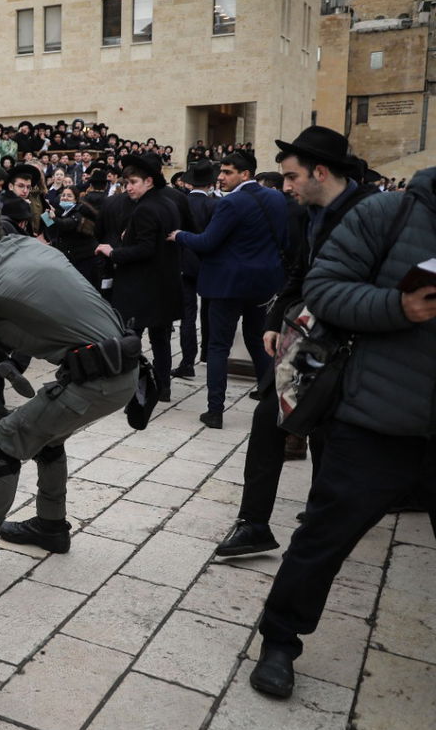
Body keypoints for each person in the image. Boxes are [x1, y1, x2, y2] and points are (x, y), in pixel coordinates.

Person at [248, 164, 436, 700]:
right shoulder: (389, 213)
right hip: (378, 415)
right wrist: (397, 307)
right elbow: (323, 291)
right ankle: (280, 639)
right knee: (324, 538)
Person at [0, 193, 138, 578]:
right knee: (47, 439)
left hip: (98, 379)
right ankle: (50, 527)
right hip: (116, 368)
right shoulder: (25, 246)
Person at [216, 127, 375, 560]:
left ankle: (322, 515)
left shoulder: (372, 211)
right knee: (269, 416)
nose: (284, 187)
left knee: (327, 432)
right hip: (307, 343)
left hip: (354, 346)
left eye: (291, 177)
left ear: (319, 172)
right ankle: (254, 523)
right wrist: (274, 319)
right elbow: (297, 275)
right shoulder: (302, 214)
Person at [170, 151, 288, 429]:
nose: (220, 177)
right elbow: (283, 239)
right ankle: (271, 403)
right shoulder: (276, 198)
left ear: (245, 174)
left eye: (227, 172)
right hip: (263, 283)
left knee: (218, 346)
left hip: (228, 285)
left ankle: (215, 411)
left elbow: (208, 242)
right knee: (260, 341)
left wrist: (180, 236)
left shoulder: (231, 202)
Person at [93, 153, 182, 403]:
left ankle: (133, 389)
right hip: (162, 285)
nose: (128, 188)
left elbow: (145, 249)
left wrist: (114, 252)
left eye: (133, 182)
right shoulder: (168, 203)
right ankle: (163, 388)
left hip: (142, 288)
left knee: (131, 339)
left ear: (149, 182)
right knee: (160, 338)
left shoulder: (145, 208)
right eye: (126, 183)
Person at [173, 161, 218, 379]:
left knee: (187, 315)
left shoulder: (180, 202)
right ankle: (207, 353)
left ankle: (187, 361)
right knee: (208, 312)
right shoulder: (215, 205)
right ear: (210, 183)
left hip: (184, 262)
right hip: (208, 263)